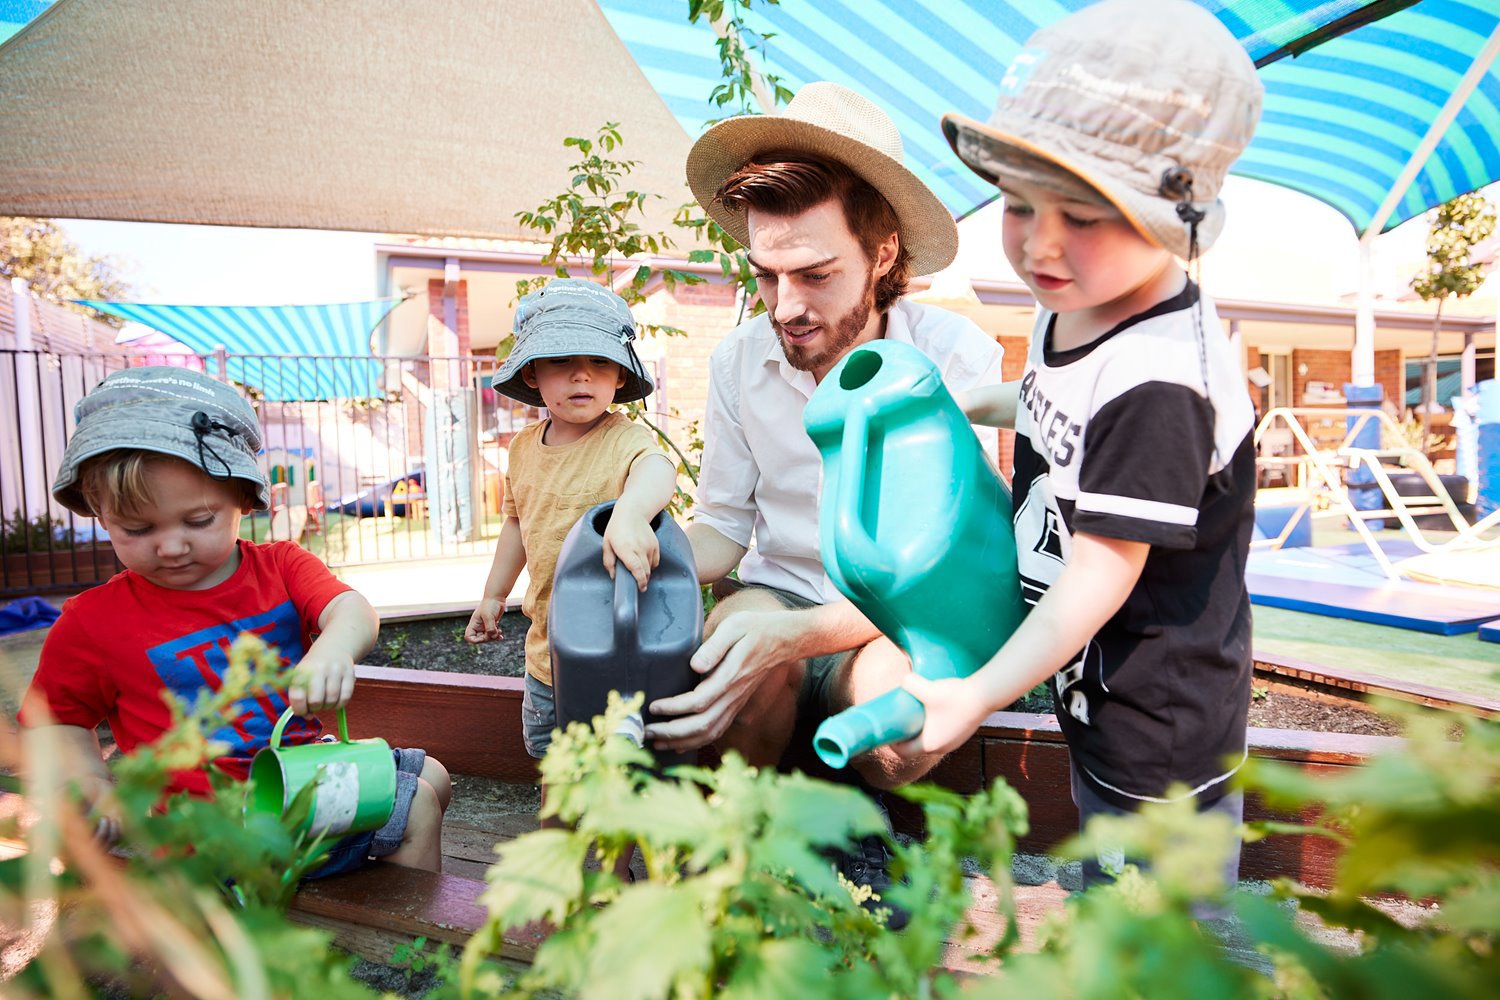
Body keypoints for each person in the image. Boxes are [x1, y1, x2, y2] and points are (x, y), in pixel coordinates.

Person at [895, 0, 1264, 893]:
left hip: (1157, 732)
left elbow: (1102, 572)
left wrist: (979, 694)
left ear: (1171, 216)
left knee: (1146, 939)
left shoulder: (1162, 381)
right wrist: (959, 404)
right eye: (1020, 206)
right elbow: (1046, 405)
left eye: (1085, 213)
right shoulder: (1076, 297)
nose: (1043, 242)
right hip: (1097, 693)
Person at [646, 82, 1006, 918]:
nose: (787, 307)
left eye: (815, 273)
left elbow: (946, 576)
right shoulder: (742, 361)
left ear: (883, 253)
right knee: (727, 651)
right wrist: (644, 562)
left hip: (898, 613)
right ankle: (750, 838)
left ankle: (850, 818)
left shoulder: (955, 361)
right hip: (779, 592)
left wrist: (798, 637)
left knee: (903, 718)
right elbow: (726, 531)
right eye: (767, 274)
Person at [20, 366, 452, 874]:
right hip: (216, 823)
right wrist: (89, 780)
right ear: (99, 511)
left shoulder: (282, 566)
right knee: (417, 804)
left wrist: (333, 647)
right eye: (136, 529)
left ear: (243, 497)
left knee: (435, 774)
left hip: (296, 769)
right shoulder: (93, 622)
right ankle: (408, 940)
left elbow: (351, 610)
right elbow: (58, 720)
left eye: (198, 521)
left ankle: (349, 886)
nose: (172, 545)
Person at [463, 279, 677, 786]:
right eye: (562, 360)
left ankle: (611, 864)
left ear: (621, 375)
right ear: (533, 372)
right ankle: (560, 858)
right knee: (556, 771)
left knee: (617, 777)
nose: (582, 374)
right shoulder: (521, 448)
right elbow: (517, 522)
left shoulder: (624, 437)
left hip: (615, 651)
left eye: (600, 361)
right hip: (546, 652)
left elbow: (657, 472)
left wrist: (629, 515)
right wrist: (494, 594)